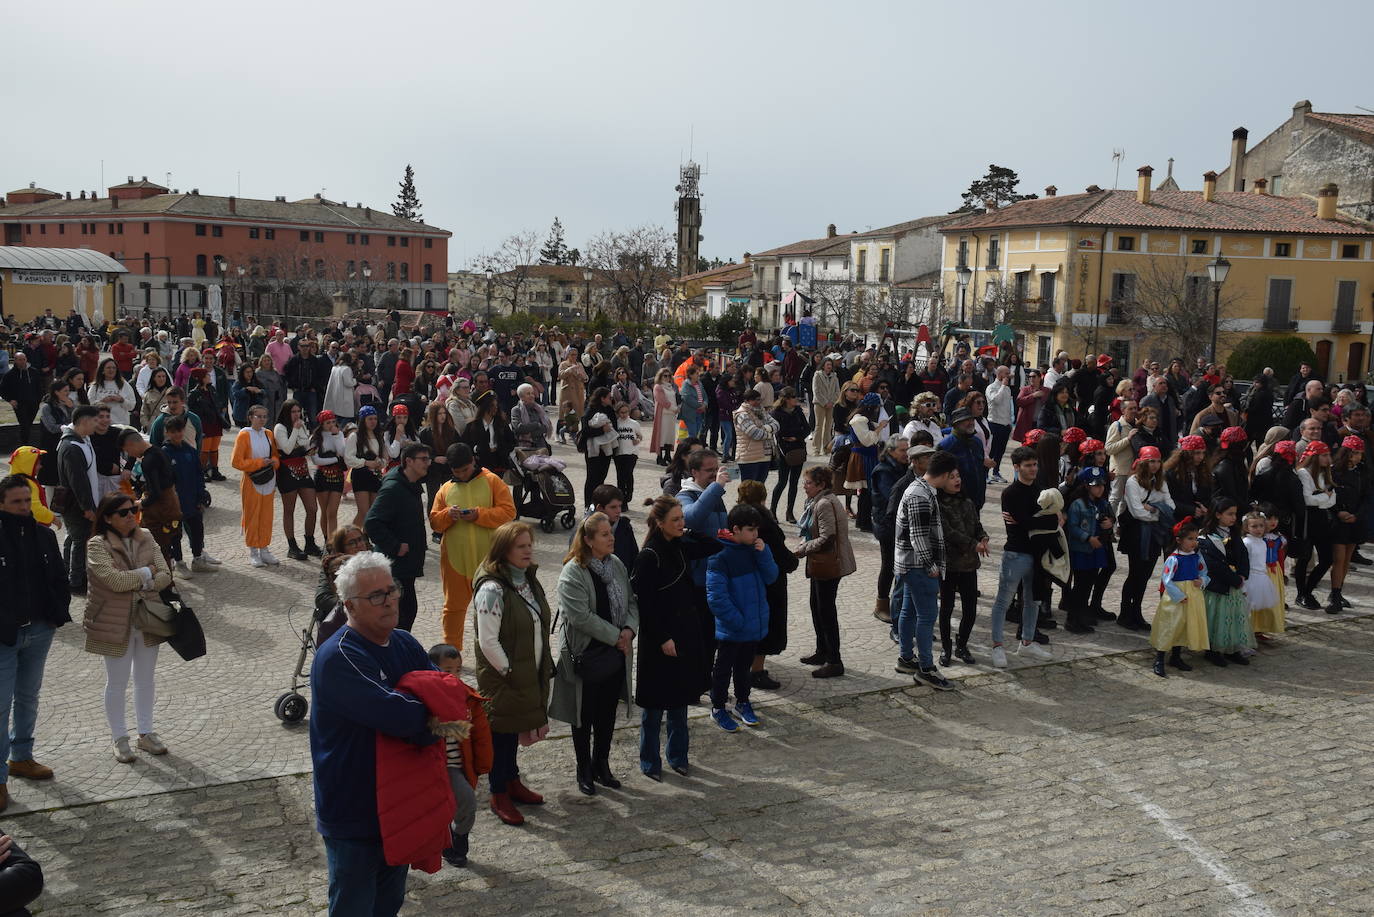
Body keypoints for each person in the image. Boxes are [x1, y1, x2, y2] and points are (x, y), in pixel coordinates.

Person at [308, 551, 437, 914]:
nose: (390, 599)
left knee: (388, 903)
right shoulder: (339, 657)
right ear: (349, 605)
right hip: (354, 811)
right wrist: (430, 718)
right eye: (376, 595)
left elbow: (446, 698)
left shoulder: (404, 643)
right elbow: (404, 719)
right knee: (353, 907)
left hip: (399, 804)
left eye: (391, 589)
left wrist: (430, 715)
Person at [549, 512, 638, 796]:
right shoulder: (573, 571)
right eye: (604, 534)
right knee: (583, 715)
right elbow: (580, 617)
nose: (611, 538)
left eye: (610, 533)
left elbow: (632, 602)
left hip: (615, 653)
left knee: (606, 713)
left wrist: (629, 630)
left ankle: (602, 764)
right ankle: (583, 767)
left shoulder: (617, 565)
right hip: (585, 654)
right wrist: (616, 637)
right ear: (588, 540)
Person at [470, 520, 552, 826]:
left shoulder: (527, 579)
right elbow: (487, 640)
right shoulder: (491, 589)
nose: (528, 550)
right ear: (503, 550)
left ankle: (513, 781)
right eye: (521, 546)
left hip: (526, 670)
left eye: (530, 544)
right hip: (504, 676)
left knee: (514, 728)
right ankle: (498, 792)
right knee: (501, 733)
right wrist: (510, 671)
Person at [83, 491, 174, 764]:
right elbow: (114, 581)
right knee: (117, 681)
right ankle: (119, 737)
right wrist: (147, 574)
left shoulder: (146, 536)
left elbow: (166, 575)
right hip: (114, 621)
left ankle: (145, 733)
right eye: (123, 512)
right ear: (108, 518)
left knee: (146, 679)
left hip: (148, 618)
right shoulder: (97, 545)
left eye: (132, 510)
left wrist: (142, 577)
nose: (131, 516)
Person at [0, 475, 70, 813]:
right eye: (16, 502)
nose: (24, 508)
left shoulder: (43, 535)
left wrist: (57, 615)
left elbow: (58, 577)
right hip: (4, 636)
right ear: (1, 504)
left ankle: (22, 757)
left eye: (27, 501)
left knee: (28, 697)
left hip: (39, 630)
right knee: (0, 707)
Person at [633, 495, 714, 779]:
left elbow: (712, 545)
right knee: (654, 708)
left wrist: (689, 531)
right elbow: (646, 605)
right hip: (659, 640)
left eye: (682, 519)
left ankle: (678, 756)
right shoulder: (649, 556)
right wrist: (663, 637)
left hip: (683, 635)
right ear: (659, 523)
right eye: (676, 520)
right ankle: (650, 762)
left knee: (679, 702)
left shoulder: (680, 546)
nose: (681, 524)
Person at [429, 442, 516, 650]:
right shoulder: (445, 489)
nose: (462, 475)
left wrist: (479, 515)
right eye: (456, 472)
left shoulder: (492, 481)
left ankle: (495, 649)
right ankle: (451, 652)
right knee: (453, 609)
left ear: (473, 461)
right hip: (455, 561)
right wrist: (447, 516)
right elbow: (434, 521)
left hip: (489, 562)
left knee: (494, 608)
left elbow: (509, 512)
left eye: (465, 470)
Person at [704, 504, 778, 733]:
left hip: (751, 626)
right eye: (750, 530)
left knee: (744, 668)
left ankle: (742, 702)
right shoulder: (720, 556)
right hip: (733, 628)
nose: (755, 534)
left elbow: (771, 576)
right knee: (723, 669)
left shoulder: (755, 550)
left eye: (757, 530)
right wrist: (737, 621)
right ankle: (718, 707)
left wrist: (764, 553)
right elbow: (716, 598)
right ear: (735, 529)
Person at [891, 450, 957, 688]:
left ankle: (906, 657)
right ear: (946, 474)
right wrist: (932, 566)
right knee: (927, 616)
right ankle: (926, 668)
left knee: (909, 611)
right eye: (954, 476)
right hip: (918, 566)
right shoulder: (920, 494)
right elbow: (918, 537)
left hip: (909, 564)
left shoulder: (921, 488)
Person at [985, 447, 1056, 667]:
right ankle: (997, 646)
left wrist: (1043, 521)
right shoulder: (1010, 493)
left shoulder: (1040, 490)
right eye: (1028, 465)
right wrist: (1045, 521)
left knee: (1033, 601)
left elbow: (1051, 521)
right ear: (1016, 467)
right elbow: (1027, 523)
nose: (1033, 469)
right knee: (1003, 602)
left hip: (1037, 554)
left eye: (1035, 464)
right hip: (1016, 553)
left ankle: (1027, 642)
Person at [426, 643, 492, 870]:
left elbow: (480, 734)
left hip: (457, 766)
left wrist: (483, 763)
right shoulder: (424, 698)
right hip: (434, 767)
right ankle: (447, 841)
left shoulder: (468, 698)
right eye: (447, 671)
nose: (454, 676)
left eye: (458, 670)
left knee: (466, 802)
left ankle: (458, 837)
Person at [794, 466, 856, 678]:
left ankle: (834, 660)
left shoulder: (824, 504)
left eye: (809, 483)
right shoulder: (817, 501)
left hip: (829, 564)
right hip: (819, 563)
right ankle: (822, 651)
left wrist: (802, 549)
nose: (805, 486)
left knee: (826, 611)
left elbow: (827, 537)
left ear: (821, 485)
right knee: (816, 607)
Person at [365, 443, 432, 633]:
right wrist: (395, 546)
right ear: (409, 462)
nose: (428, 463)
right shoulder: (394, 488)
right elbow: (371, 522)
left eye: (429, 459)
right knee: (401, 615)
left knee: (407, 611)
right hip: (396, 566)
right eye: (423, 459)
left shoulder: (411, 484)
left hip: (407, 565)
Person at [934, 453, 987, 667]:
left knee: (970, 608)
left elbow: (977, 525)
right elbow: (948, 532)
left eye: (958, 476)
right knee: (946, 608)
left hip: (969, 565)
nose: (957, 480)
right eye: (951, 477)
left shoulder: (967, 501)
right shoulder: (938, 504)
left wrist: (983, 537)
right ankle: (946, 648)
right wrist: (973, 543)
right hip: (949, 564)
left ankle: (962, 645)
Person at [1118, 445, 1173, 631]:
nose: (1155, 465)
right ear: (1143, 462)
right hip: (1136, 534)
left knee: (1146, 575)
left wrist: (1153, 508)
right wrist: (1158, 510)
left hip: (1154, 534)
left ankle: (1137, 612)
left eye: (1158, 461)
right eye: (1151, 461)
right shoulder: (1133, 482)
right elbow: (1137, 511)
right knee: (1135, 573)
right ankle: (1125, 613)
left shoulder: (1160, 481)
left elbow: (1170, 506)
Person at [1198, 498, 1254, 667]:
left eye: (1235, 514)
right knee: (1216, 619)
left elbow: (1244, 555)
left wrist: (1243, 574)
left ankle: (1233, 648)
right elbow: (1213, 565)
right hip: (1218, 586)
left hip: (1235, 583)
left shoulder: (1234, 533)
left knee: (1234, 618)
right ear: (1217, 514)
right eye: (1229, 514)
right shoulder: (1205, 538)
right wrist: (1234, 579)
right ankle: (1213, 650)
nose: (1233, 517)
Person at [1150, 517, 1208, 677]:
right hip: (1177, 596)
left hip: (1193, 595)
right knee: (1171, 625)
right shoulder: (1174, 559)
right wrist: (1178, 595)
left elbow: (1204, 572)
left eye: (1196, 539)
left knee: (1184, 625)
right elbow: (1167, 580)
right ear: (1179, 540)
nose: (1194, 542)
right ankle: (1159, 658)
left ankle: (1176, 656)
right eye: (1190, 539)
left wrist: (1201, 580)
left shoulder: (1197, 557)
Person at [57, 404, 102, 595]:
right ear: (83, 421)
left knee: (73, 538)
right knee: (79, 541)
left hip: (79, 503)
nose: (97, 425)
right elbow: (78, 482)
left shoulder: (82, 440)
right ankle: (75, 581)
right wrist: (88, 507)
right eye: (94, 421)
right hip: (77, 505)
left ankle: (67, 572)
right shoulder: (72, 447)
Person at [1064, 466, 1115, 634]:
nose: (1100, 488)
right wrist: (1088, 538)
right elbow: (1072, 527)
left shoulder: (1103, 503)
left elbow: (1110, 518)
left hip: (1096, 550)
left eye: (1102, 485)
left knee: (1088, 584)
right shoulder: (1078, 505)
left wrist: (1110, 523)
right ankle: (1072, 620)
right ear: (1087, 486)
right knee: (1080, 585)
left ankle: (1081, 617)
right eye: (1096, 485)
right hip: (1081, 550)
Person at [230, 404, 280, 567]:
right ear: (250, 417)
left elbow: (275, 454)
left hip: (269, 479)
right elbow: (236, 462)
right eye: (258, 416)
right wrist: (259, 463)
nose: (262, 420)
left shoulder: (268, 433)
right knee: (252, 515)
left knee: (266, 516)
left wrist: (274, 462)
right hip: (252, 480)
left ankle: (264, 549)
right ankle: (253, 551)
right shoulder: (244, 435)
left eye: (264, 416)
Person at [1292, 441, 1335, 610]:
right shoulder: (1304, 473)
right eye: (1324, 455)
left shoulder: (1324, 474)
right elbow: (1308, 500)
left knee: (1327, 559)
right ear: (1315, 457)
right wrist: (1325, 496)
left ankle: (1308, 590)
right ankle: (1301, 593)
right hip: (1307, 520)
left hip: (1321, 519)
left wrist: (1322, 497)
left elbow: (1333, 500)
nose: (1328, 459)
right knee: (1304, 557)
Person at [1327, 436, 1366, 614]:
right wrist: (1339, 512)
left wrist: (1357, 515)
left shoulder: (1362, 472)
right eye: (1353, 453)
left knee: (1347, 559)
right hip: (1337, 521)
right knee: (1339, 559)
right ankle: (1334, 595)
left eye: (1359, 453)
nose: (1356, 457)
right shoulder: (1334, 471)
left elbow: (1366, 497)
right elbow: (1328, 494)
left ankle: (1339, 591)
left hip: (1355, 520)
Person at [734, 387, 780, 484]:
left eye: (759, 399)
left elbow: (776, 425)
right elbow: (755, 434)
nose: (758, 402)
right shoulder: (742, 415)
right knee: (748, 491)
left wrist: (764, 429)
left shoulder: (762, 411)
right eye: (755, 400)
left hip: (765, 456)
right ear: (747, 401)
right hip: (749, 458)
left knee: (760, 489)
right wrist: (770, 433)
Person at [1, 353, 43, 445]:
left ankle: (25, 444)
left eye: (24, 359)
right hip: (19, 404)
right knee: (24, 425)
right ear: (15, 361)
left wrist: (38, 400)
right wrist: (10, 400)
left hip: (33, 403)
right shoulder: (10, 375)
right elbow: (3, 390)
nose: (22, 362)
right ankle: (24, 445)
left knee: (28, 424)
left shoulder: (33, 372)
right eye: (19, 360)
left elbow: (39, 387)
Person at [88, 358, 136, 427]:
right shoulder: (95, 386)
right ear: (102, 370)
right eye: (108, 368)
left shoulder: (124, 384)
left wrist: (121, 400)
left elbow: (132, 406)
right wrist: (102, 402)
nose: (111, 370)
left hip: (121, 424)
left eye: (114, 368)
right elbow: (89, 406)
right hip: (100, 425)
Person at [811, 357, 840, 455]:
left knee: (828, 426)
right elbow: (816, 391)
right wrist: (825, 402)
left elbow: (837, 391)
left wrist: (832, 402)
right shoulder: (817, 375)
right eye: (827, 364)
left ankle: (826, 448)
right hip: (819, 404)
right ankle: (816, 448)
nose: (829, 367)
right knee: (818, 426)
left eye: (830, 365)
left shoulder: (835, 376)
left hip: (831, 404)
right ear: (823, 365)